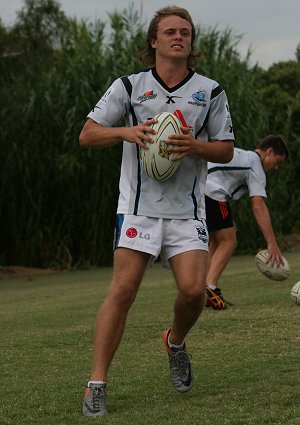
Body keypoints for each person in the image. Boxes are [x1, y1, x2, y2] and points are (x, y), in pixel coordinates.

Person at [79, 6, 234, 417]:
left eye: (185, 32)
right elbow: (87, 134)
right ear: (154, 41)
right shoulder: (130, 87)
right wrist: (126, 132)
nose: (178, 37)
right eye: (169, 32)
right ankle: (97, 383)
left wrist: (196, 147)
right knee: (124, 289)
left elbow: (226, 148)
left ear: (190, 41)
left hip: (187, 211)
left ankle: (175, 343)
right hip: (137, 209)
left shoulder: (210, 90)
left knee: (192, 291)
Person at [205, 135, 289, 310]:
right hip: (211, 191)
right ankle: (209, 289)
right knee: (229, 241)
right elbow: (258, 206)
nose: (276, 167)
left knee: (216, 240)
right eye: (278, 162)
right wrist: (272, 243)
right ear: (270, 151)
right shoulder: (255, 164)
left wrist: (228, 219)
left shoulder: (245, 156)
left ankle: (202, 289)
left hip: (199, 187)